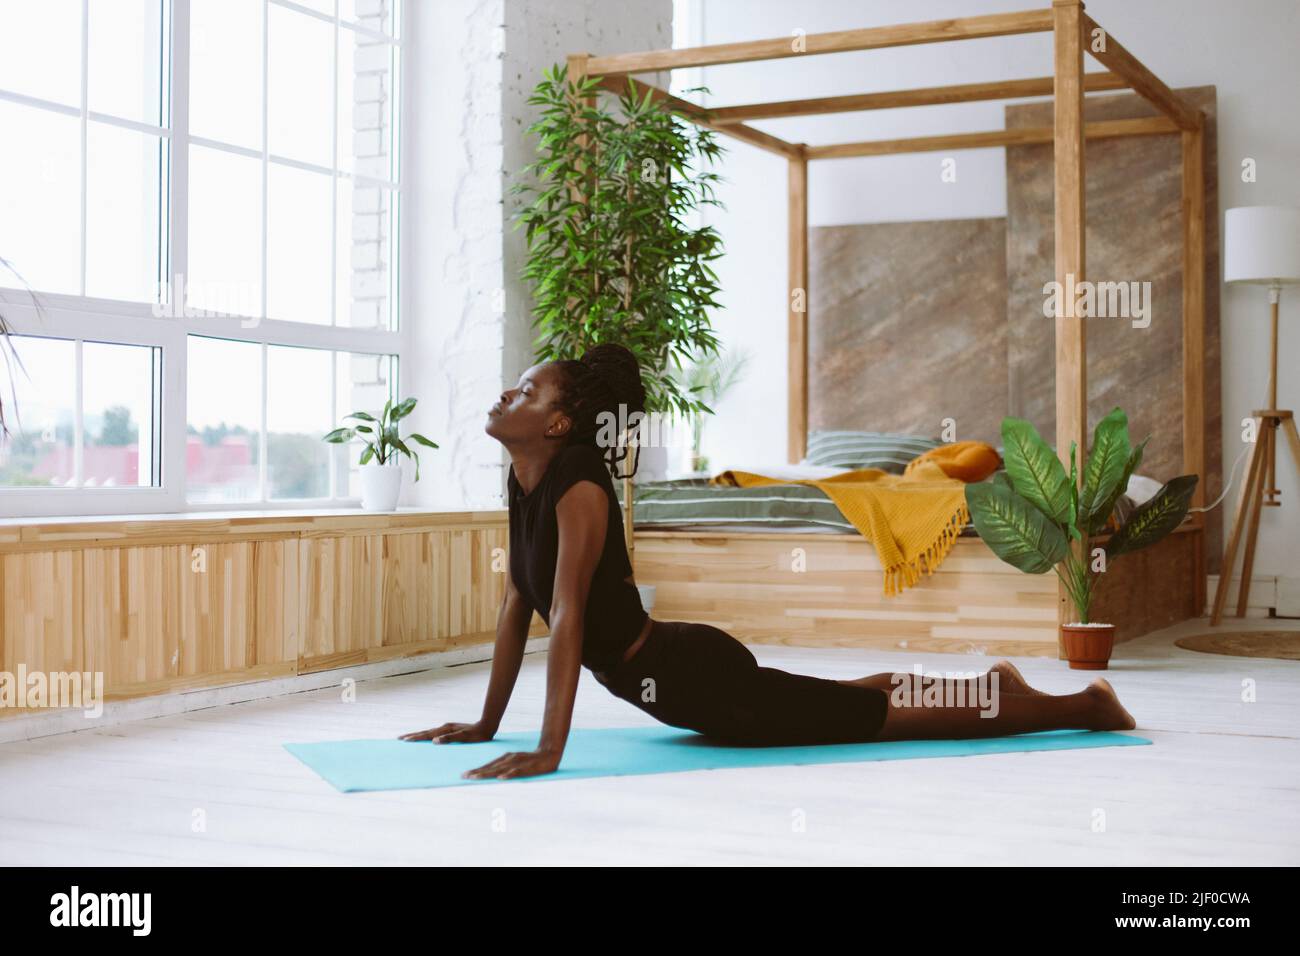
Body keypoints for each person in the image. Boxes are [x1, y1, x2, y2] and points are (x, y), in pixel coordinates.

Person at [400, 344, 1136, 780]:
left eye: (528, 390)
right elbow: (516, 604)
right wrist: (487, 724)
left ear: (558, 424)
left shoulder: (581, 484)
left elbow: (565, 614)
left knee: (877, 718)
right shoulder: (524, 480)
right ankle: (992, 684)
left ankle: (1081, 707)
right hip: (670, 680)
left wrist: (549, 749)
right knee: (842, 697)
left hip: (699, 680)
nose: (508, 393)